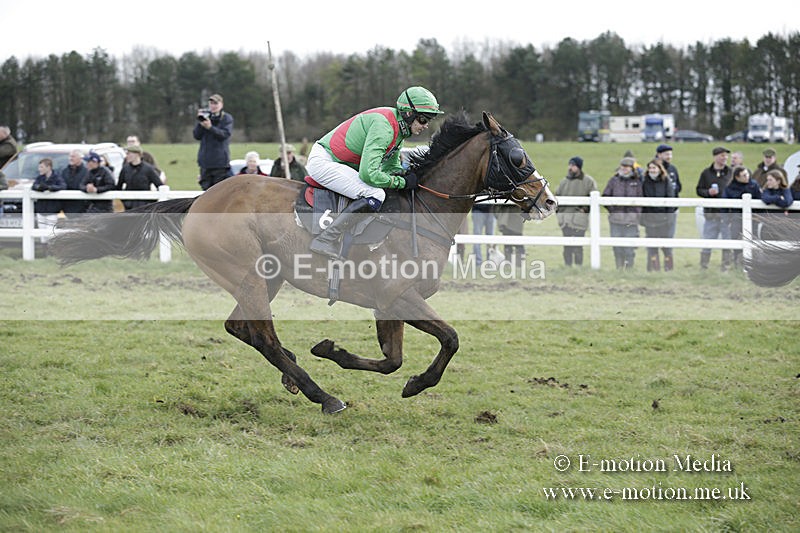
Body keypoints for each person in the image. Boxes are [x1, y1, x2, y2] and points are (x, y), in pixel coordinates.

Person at [305, 85, 443, 259]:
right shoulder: (384, 127)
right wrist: (402, 182)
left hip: (338, 162)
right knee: (375, 194)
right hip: (325, 161)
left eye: (429, 120)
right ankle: (324, 240)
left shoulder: (398, 129)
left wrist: (407, 174)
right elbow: (368, 174)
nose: (426, 125)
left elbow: (389, 168)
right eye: (423, 119)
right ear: (409, 113)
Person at [555, 156, 597, 266]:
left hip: (579, 220)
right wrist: (559, 212)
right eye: (570, 165)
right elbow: (556, 197)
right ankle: (567, 267)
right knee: (567, 246)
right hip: (565, 220)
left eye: (573, 165)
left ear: (579, 167)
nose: (570, 167)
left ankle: (578, 267)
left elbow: (593, 196)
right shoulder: (564, 181)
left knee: (578, 246)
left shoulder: (588, 181)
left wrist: (584, 209)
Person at [696, 146, 733, 270]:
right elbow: (699, 190)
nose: (725, 158)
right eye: (722, 155)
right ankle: (704, 266)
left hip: (727, 215)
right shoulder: (706, 173)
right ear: (715, 156)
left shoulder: (731, 172)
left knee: (727, 241)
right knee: (708, 240)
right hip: (711, 214)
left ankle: (726, 266)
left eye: (726, 155)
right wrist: (708, 193)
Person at [603, 156, 642, 269]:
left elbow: (641, 198)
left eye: (627, 167)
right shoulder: (613, 181)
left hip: (631, 220)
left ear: (632, 168)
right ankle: (619, 267)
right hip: (616, 220)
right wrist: (613, 210)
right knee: (617, 246)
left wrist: (636, 213)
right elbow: (605, 196)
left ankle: (629, 268)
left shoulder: (637, 182)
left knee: (629, 247)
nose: (625, 169)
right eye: (623, 166)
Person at [640, 159, 677, 271]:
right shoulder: (645, 181)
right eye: (650, 168)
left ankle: (668, 269)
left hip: (665, 219)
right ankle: (653, 269)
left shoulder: (666, 181)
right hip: (650, 219)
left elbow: (671, 199)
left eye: (654, 168)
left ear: (659, 169)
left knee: (666, 246)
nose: (652, 170)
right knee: (652, 246)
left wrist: (669, 217)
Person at [722, 166, 761, 268]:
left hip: (752, 218)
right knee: (736, 239)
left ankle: (752, 263)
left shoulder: (754, 185)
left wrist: (759, 217)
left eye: (747, 174)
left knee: (753, 239)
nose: (747, 176)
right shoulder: (730, 187)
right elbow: (725, 205)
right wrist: (726, 219)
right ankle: (737, 262)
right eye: (744, 175)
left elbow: (760, 201)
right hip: (736, 218)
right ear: (737, 177)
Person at [193, 93, 233, 191]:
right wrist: (200, 122)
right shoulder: (205, 116)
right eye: (211, 103)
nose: (213, 106)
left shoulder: (226, 118)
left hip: (220, 163)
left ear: (221, 104)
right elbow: (197, 136)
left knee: (219, 191)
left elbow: (224, 135)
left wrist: (210, 128)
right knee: (205, 190)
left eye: (216, 103)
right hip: (205, 162)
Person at [116, 145, 163, 210]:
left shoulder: (148, 169)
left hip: (145, 208)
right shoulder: (125, 169)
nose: (126, 156)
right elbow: (118, 187)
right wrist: (125, 201)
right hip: (129, 207)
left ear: (137, 154)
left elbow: (160, 186)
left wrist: (151, 202)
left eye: (128, 153)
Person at [31, 158, 65, 243]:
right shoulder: (40, 177)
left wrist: (50, 188)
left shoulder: (56, 177)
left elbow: (63, 186)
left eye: (41, 167)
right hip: (41, 209)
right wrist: (39, 188)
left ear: (48, 167)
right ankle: (45, 253)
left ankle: (52, 253)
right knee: (42, 235)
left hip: (52, 210)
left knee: (51, 233)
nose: (39, 169)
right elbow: (34, 186)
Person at [654, 144, 681, 239]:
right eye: (666, 154)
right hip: (657, 211)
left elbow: (678, 187)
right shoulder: (653, 169)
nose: (669, 157)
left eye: (670, 154)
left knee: (669, 236)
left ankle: (668, 254)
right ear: (659, 155)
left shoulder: (673, 169)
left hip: (672, 209)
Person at [758, 169, 794, 240]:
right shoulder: (766, 190)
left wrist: (774, 200)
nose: (768, 182)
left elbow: (787, 202)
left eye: (770, 180)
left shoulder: (785, 190)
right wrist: (778, 198)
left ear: (778, 181)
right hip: (767, 224)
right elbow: (766, 199)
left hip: (782, 224)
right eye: (767, 180)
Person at [59, 149, 89, 216]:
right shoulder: (64, 171)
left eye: (73, 156)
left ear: (80, 158)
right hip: (66, 209)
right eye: (70, 156)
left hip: (83, 209)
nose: (71, 158)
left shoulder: (87, 172)